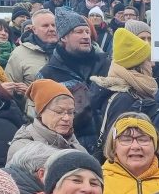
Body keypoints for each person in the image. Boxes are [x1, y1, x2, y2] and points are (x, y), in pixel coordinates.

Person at [37, 9, 111, 151]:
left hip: (109, 149)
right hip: (71, 149)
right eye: (79, 32)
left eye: (87, 32)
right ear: (63, 37)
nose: (86, 36)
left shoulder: (106, 64)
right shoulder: (48, 74)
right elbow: (43, 121)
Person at [91, 28, 158, 149]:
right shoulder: (124, 99)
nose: (152, 64)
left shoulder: (135, 92)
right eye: (148, 60)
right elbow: (115, 144)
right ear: (138, 67)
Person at [7, 79, 86, 159]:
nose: (66, 118)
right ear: (40, 112)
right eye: (59, 112)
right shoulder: (23, 149)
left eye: (70, 112)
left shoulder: (76, 145)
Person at [5, 9, 58, 87]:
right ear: (34, 29)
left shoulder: (68, 49)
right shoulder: (19, 54)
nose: (51, 29)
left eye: (54, 25)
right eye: (45, 26)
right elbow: (11, 87)